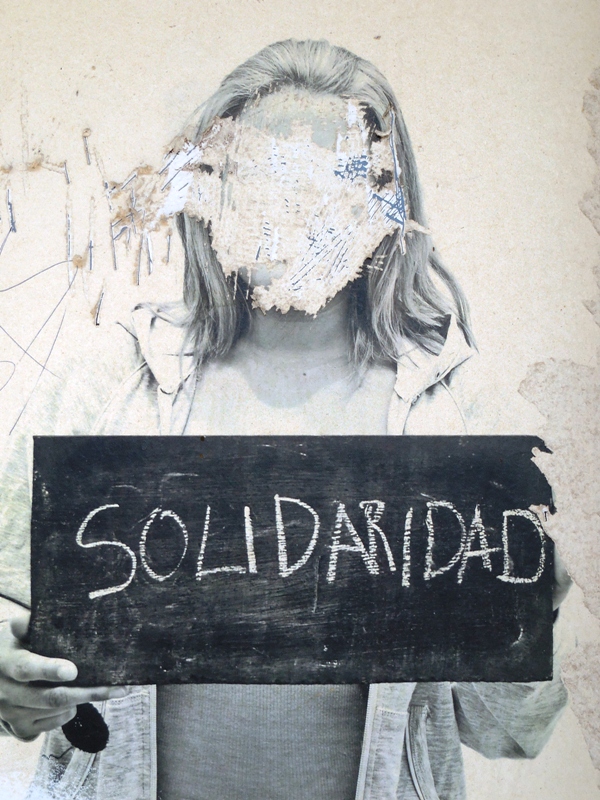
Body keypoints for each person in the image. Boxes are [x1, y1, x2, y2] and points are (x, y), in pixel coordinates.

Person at [0, 39, 568, 800]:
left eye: (329, 179)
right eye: (264, 175)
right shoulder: (107, 384)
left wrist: (531, 607)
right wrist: (10, 677)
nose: (292, 209)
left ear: (384, 199)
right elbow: (10, 612)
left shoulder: (462, 413)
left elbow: (508, 732)